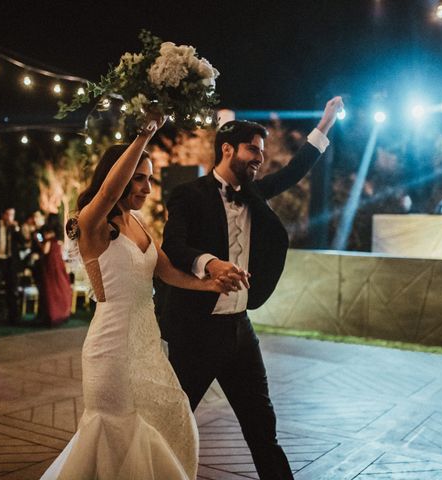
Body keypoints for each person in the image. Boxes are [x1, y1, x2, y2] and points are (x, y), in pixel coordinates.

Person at [40, 114, 241, 480]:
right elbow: (106, 194)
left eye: (150, 178)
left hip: (146, 343)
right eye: (139, 178)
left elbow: (166, 272)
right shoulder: (92, 223)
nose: (147, 188)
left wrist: (209, 285)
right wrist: (145, 134)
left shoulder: (137, 224)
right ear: (117, 176)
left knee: (175, 414)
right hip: (112, 347)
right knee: (121, 434)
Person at [161, 96, 343, 480]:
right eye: (253, 150)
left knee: (263, 429)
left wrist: (324, 124)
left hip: (241, 331)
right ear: (227, 149)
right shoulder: (189, 195)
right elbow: (173, 247)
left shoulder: (255, 191)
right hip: (196, 332)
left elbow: (296, 169)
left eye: (262, 151)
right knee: (172, 425)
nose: (260, 158)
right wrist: (209, 263)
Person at [0, 207, 24, 324]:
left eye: (12, 215)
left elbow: (22, 242)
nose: (10, 218)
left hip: (10, 261)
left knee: (12, 289)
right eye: (8, 214)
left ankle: (13, 317)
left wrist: (16, 229)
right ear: (3, 215)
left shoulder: (13, 228)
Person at [36, 220, 71, 326]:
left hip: (50, 269)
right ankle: (61, 313)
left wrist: (38, 243)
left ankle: (51, 315)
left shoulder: (48, 242)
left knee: (50, 292)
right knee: (60, 289)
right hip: (58, 269)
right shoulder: (58, 242)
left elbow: (45, 252)